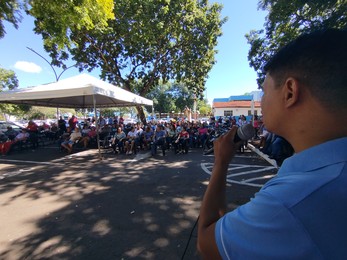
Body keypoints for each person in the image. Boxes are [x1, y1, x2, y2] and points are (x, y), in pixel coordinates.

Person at [198, 29, 347, 259]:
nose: (260, 103)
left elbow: (206, 242)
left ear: (289, 92)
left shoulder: (289, 202)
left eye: (264, 92)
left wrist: (221, 163)